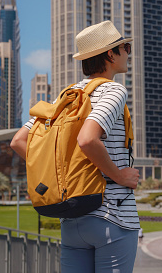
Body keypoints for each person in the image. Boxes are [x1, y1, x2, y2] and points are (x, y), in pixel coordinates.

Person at [11, 20, 140, 272]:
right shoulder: (112, 90)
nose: (128, 53)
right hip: (112, 215)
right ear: (111, 54)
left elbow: (18, 141)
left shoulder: (66, 96)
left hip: (72, 218)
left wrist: (61, 172)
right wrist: (119, 175)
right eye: (125, 47)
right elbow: (87, 138)